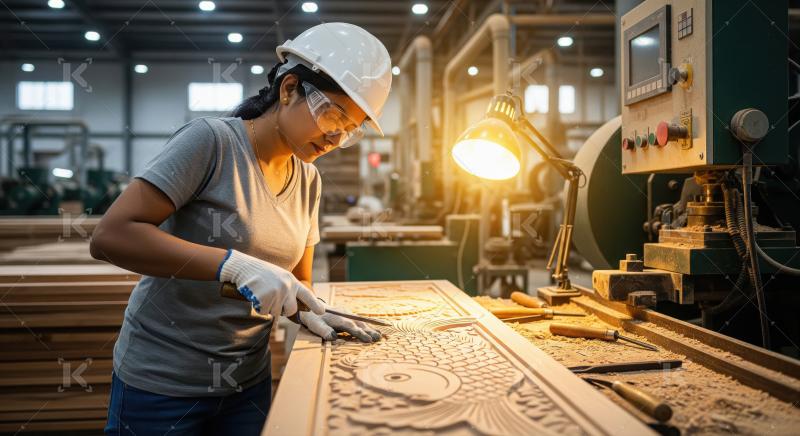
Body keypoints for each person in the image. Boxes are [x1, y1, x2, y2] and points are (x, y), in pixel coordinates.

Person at [91, 22, 392, 435]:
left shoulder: (308, 180)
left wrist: (317, 313)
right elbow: (111, 237)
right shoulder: (211, 144)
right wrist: (231, 265)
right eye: (332, 115)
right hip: (163, 385)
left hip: (245, 383)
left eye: (350, 130)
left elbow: (295, 284)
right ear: (288, 89)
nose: (335, 137)